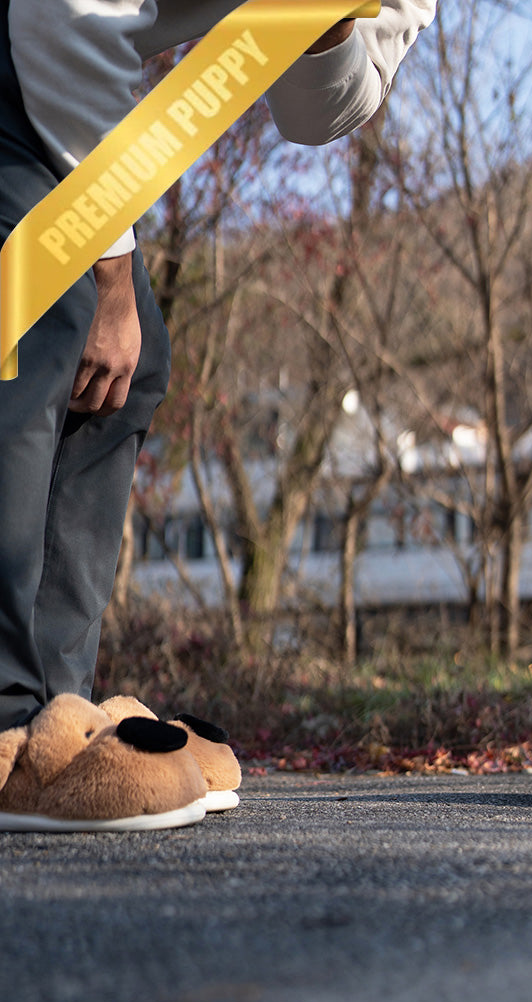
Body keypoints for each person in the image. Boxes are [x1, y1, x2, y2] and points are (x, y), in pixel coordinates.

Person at [0, 1, 435, 735]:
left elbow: (318, 113)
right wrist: (110, 277)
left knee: (125, 373)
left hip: (51, 59)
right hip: (32, 40)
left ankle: (51, 725)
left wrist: (327, 25)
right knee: (45, 319)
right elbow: (62, 18)